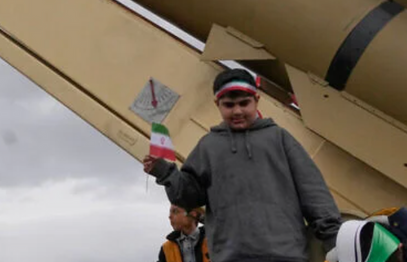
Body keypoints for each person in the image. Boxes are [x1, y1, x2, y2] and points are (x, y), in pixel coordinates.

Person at [144, 68, 342, 262]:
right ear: (217, 104)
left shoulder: (279, 139)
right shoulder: (208, 146)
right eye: (229, 105)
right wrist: (165, 172)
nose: (237, 111)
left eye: (244, 103)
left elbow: (313, 192)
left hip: (286, 255)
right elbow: (188, 196)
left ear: (256, 100)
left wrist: (333, 241)